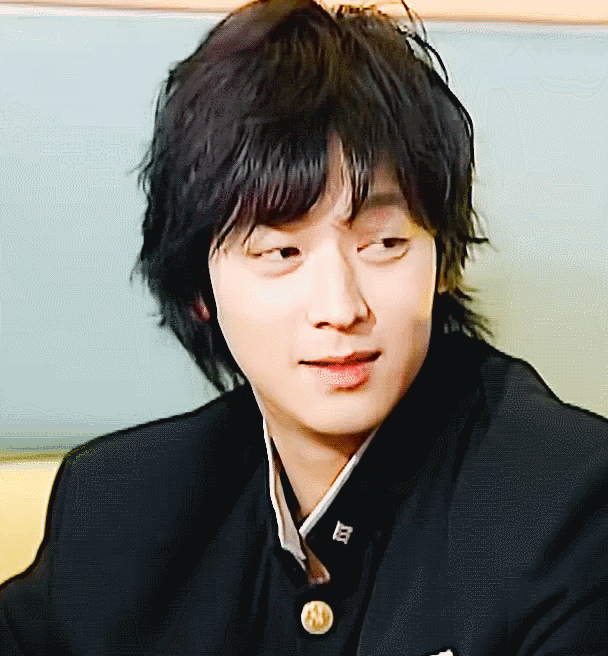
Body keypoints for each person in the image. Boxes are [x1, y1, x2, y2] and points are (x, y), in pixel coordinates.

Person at [1, 0, 607, 653]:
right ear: (200, 288)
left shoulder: (566, 504)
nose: (340, 308)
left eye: (384, 244)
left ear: (444, 262)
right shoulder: (115, 510)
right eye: (280, 252)